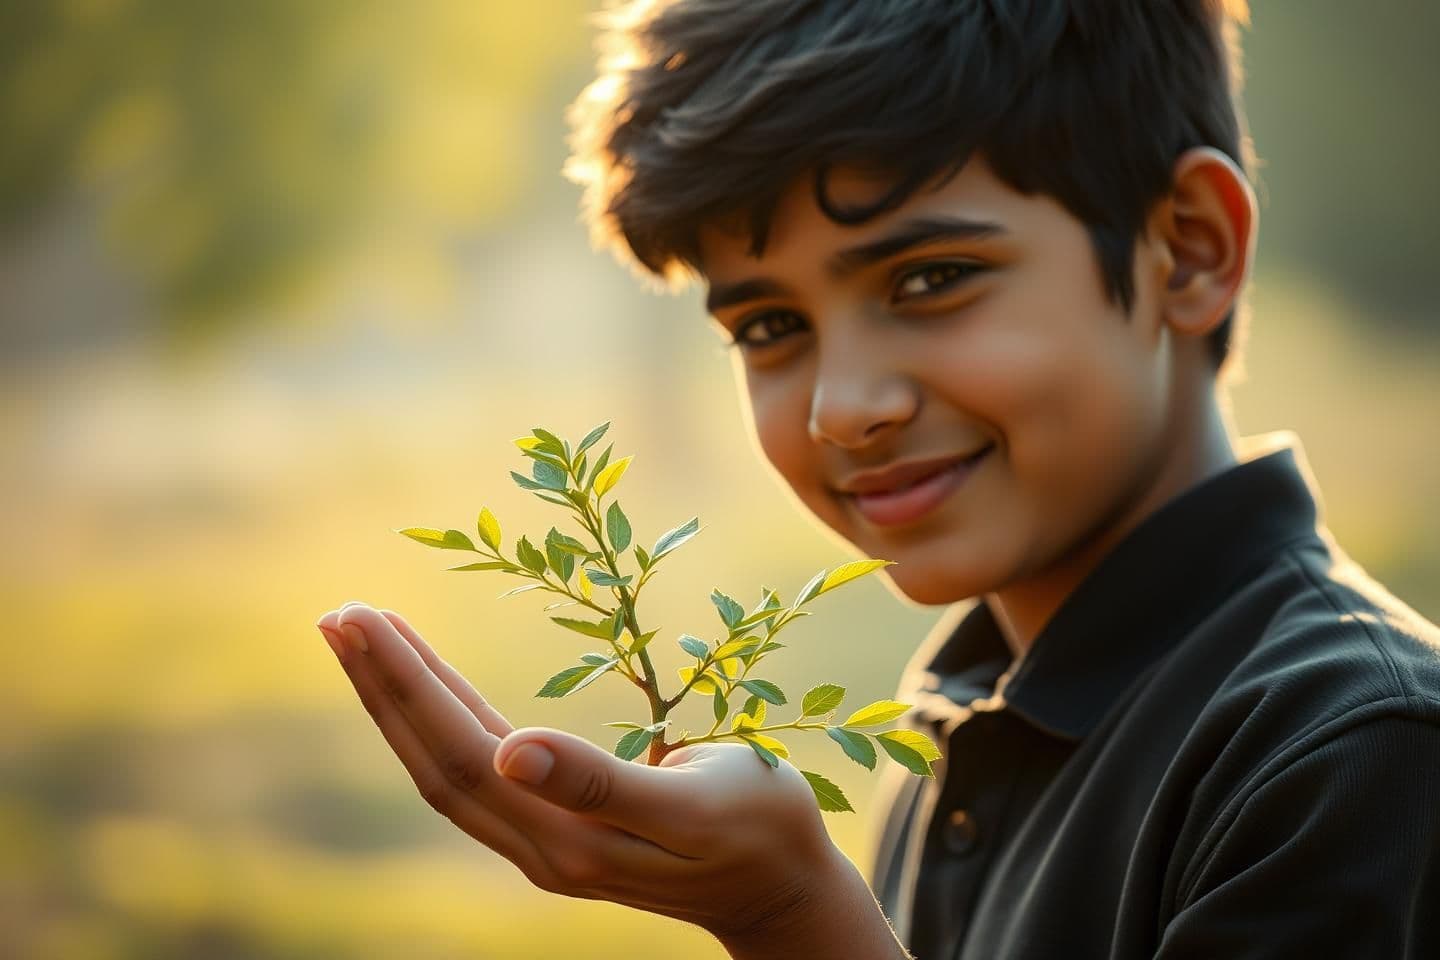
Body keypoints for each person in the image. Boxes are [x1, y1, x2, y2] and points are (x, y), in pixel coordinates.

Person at [316, 1, 1440, 957]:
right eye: (767, 325)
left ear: (1188, 248)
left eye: (931, 278)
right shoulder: (951, 733)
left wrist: (794, 919)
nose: (840, 407)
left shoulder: (1356, 754)